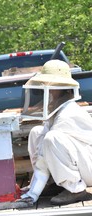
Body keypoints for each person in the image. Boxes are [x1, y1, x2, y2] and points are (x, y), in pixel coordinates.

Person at [20, 59, 92, 205]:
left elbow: (44, 151)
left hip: (88, 165)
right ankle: (52, 183)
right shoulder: (59, 108)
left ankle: (75, 189)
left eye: (52, 85)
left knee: (52, 138)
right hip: (81, 162)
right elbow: (41, 144)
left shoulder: (69, 113)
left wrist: (34, 190)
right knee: (36, 132)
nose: (49, 88)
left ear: (63, 87)